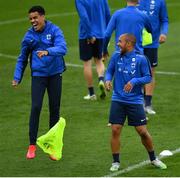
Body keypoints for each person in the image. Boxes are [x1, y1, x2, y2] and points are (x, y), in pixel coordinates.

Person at [105, 33, 167, 171]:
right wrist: (108, 80)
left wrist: (134, 81)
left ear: (128, 44)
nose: (117, 44)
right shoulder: (116, 56)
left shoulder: (141, 59)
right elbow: (109, 71)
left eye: (120, 41)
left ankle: (153, 158)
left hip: (134, 100)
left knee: (142, 131)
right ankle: (115, 162)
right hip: (118, 99)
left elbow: (147, 78)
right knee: (115, 130)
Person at [12, 5, 67, 159]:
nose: (33, 21)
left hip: (55, 74)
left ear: (43, 17)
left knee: (54, 109)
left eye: (35, 18)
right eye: (30, 19)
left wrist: (48, 51)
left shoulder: (55, 30)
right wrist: (17, 77)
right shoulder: (28, 37)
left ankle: (52, 146)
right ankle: (32, 145)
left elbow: (63, 48)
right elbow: (22, 58)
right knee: (36, 107)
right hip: (39, 76)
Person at [75, 0, 111, 100]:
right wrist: (106, 32)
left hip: (86, 35)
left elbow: (84, 17)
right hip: (101, 33)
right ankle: (101, 79)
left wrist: (90, 34)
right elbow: (108, 14)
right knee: (99, 61)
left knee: (87, 64)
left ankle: (91, 94)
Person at [138, 0, 169, 114]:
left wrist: (164, 33)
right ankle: (138, 101)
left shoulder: (160, 1)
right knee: (137, 71)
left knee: (150, 72)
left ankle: (148, 104)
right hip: (137, 43)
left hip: (152, 43)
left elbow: (164, 19)